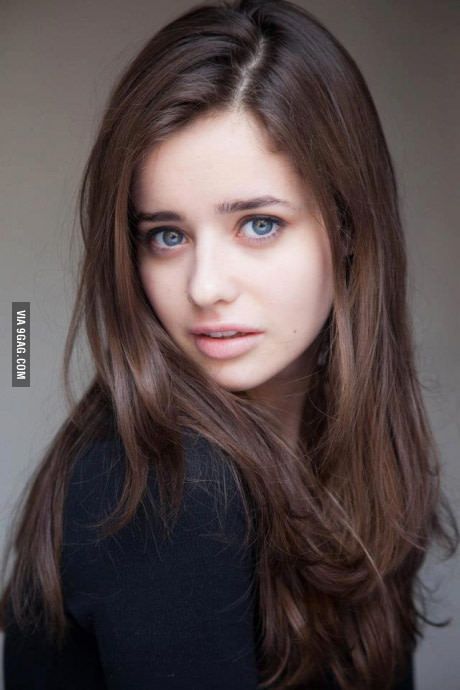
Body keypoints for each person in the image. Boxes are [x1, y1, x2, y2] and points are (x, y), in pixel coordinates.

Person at [1, 0, 458, 688]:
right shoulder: (167, 491)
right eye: (167, 235)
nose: (206, 286)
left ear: (349, 229)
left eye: (259, 225)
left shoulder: (358, 464)